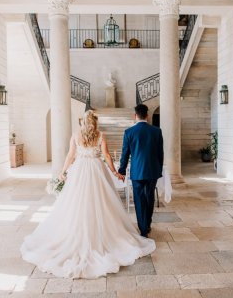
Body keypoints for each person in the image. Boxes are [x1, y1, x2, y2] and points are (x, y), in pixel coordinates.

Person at [20, 110, 155, 279]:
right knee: (101, 203)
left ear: (83, 122)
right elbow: (106, 156)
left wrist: (63, 172)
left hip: (79, 171)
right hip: (97, 170)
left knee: (77, 203)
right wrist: (114, 172)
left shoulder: (76, 136)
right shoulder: (100, 135)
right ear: (95, 122)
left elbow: (71, 155)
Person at [118, 104, 164, 237]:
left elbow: (125, 154)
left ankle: (143, 228)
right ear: (147, 116)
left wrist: (121, 171)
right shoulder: (156, 131)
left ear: (135, 116)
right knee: (149, 198)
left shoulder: (129, 132)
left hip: (137, 172)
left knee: (139, 200)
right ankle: (147, 224)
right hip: (152, 171)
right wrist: (159, 169)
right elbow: (160, 153)